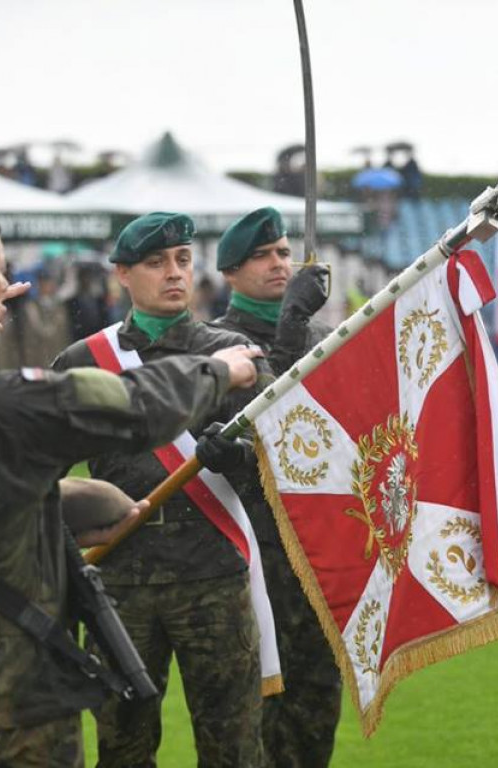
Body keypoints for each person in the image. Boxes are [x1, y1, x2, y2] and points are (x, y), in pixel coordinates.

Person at [0, 201, 261, 767]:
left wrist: (60, 502)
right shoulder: (2, 403)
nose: (10, 284)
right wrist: (220, 371)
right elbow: (133, 405)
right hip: (1, 696)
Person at [52, 212, 269, 767]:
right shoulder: (83, 362)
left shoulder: (234, 353)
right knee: (121, 749)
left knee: (234, 748)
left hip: (213, 575)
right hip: (117, 579)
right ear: (122, 274)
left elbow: (284, 463)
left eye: (182, 260)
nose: (174, 274)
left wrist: (239, 458)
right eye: (155, 263)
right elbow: (40, 472)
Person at [206, 206, 342, 767]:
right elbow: (263, 421)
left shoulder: (325, 335)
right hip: (252, 550)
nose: (279, 263)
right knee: (255, 712)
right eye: (262, 256)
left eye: (284, 252)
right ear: (230, 274)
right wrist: (290, 323)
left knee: (316, 703)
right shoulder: (214, 341)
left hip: (317, 544)